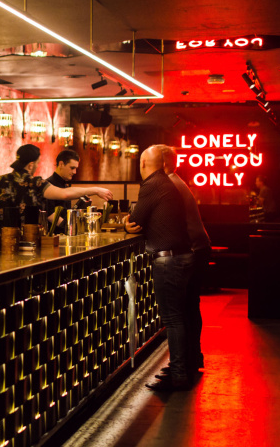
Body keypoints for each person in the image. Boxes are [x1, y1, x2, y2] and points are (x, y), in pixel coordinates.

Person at [125, 145, 196, 391]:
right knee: (181, 316)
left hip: (168, 260)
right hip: (184, 256)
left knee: (173, 319)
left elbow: (135, 221)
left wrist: (125, 223)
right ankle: (183, 369)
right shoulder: (166, 182)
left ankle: (178, 375)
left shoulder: (152, 184)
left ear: (143, 163)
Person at [158, 145, 210, 378]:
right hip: (199, 248)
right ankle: (192, 359)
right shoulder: (175, 182)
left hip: (192, 250)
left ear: (163, 163)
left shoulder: (169, 185)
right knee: (190, 307)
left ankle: (183, 367)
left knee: (180, 310)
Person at [0, 144, 113, 219]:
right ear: (30, 165)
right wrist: (95, 190)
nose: (37, 166)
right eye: (37, 163)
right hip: (26, 241)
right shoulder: (35, 183)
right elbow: (64, 194)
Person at [44, 149, 89, 231]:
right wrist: (70, 229)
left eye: (76, 168)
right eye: (72, 168)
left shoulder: (65, 185)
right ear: (61, 164)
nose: (75, 172)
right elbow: (50, 214)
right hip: (54, 235)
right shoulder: (48, 184)